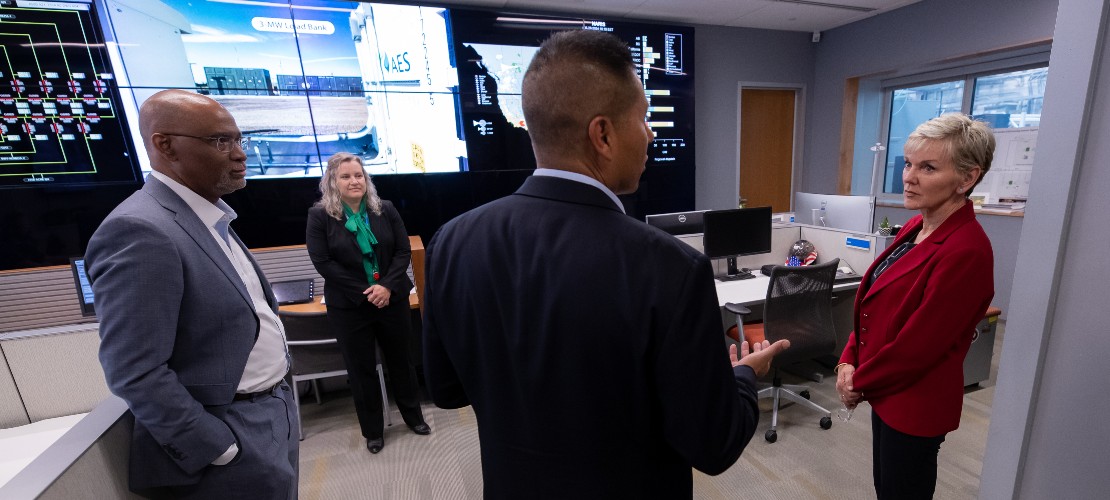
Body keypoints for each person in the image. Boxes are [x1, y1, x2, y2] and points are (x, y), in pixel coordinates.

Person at [421, 30, 788, 498]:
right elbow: (713, 445)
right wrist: (744, 376)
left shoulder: (451, 243)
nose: (651, 134)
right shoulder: (669, 268)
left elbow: (447, 390)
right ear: (603, 135)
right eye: (644, 118)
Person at [85, 89, 298, 499]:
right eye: (221, 141)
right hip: (229, 435)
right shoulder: (140, 230)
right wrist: (215, 447)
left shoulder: (207, 218)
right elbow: (133, 370)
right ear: (165, 145)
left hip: (272, 411)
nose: (240, 154)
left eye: (239, 140)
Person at [836, 113, 995, 499]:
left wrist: (858, 382)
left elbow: (917, 347)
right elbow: (875, 304)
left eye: (928, 168)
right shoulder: (915, 228)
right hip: (886, 390)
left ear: (967, 178)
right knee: (885, 487)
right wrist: (847, 360)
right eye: (908, 164)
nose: (908, 177)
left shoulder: (967, 251)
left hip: (915, 403)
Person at [305, 152, 430, 454]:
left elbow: (402, 251)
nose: (354, 181)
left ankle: (414, 417)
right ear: (332, 182)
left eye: (358, 175)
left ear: (366, 179)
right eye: (346, 176)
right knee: (361, 370)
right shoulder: (320, 216)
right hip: (350, 307)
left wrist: (385, 287)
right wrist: (367, 291)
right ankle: (373, 432)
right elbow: (323, 262)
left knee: (401, 362)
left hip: (392, 299)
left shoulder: (384, 209)